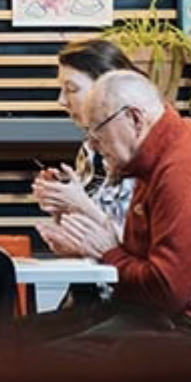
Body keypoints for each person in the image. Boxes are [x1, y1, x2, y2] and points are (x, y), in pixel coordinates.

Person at [35, 70, 191, 342]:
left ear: (134, 118)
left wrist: (109, 253)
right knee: (16, 337)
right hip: (155, 312)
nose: (94, 146)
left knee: (44, 361)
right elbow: (143, 261)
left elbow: (168, 291)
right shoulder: (151, 161)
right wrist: (89, 247)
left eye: (97, 131)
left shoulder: (184, 167)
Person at [32, 39, 139, 247]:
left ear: (107, 88)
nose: (61, 101)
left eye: (71, 89)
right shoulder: (91, 148)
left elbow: (138, 245)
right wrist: (62, 205)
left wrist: (78, 203)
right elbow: (93, 235)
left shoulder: (141, 148)